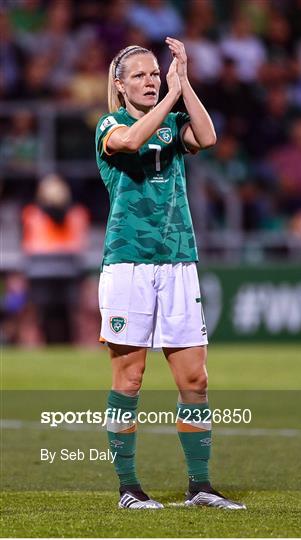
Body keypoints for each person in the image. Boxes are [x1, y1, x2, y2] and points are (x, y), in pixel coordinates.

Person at [95, 39, 246, 510]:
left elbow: (208, 138)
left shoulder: (174, 121)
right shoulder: (110, 125)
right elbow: (134, 141)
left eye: (155, 73)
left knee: (195, 381)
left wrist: (185, 85)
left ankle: (199, 486)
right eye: (139, 75)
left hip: (179, 261)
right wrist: (168, 99)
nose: (150, 79)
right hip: (128, 264)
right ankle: (128, 488)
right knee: (130, 379)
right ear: (119, 86)